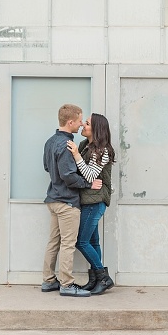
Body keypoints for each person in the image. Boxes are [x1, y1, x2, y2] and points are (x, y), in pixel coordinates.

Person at [41, 104, 102, 298]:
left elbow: (46, 167)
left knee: (53, 242)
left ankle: (48, 280)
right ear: (70, 122)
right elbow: (69, 176)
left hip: (53, 199)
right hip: (67, 202)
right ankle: (66, 284)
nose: (81, 124)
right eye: (79, 121)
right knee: (68, 244)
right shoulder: (67, 145)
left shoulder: (50, 142)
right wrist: (87, 184)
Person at [67, 113, 116, 295]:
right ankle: (95, 280)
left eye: (86, 124)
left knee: (81, 241)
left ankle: (103, 277)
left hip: (96, 202)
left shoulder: (104, 151)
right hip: (87, 199)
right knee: (93, 241)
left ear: (96, 129)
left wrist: (76, 155)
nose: (82, 126)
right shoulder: (84, 146)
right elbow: (82, 174)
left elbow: (89, 175)